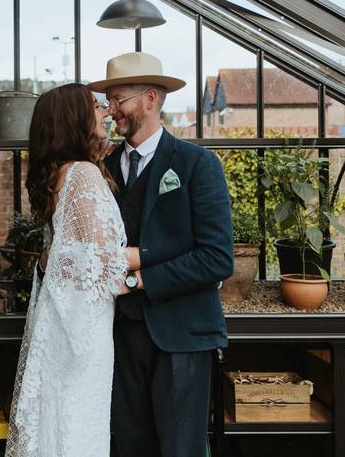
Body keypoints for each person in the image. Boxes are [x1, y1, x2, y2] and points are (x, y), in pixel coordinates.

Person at [88, 52, 234, 457]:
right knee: (131, 446)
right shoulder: (101, 168)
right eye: (110, 101)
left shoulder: (197, 165)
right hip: (119, 336)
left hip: (182, 337)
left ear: (150, 98)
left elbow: (217, 258)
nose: (112, 110)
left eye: (119, 99)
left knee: (179, 450)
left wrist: (139, 275)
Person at [5, 83, 144, 457]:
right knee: (78, 429)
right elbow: (99, 264)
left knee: (63, 422)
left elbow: (68, 255)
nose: (104, 111)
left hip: (66, 325)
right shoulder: (83, 174)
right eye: (95, 105)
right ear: (74, 118)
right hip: (84, 333)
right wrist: (156, 255)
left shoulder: (61, 175)